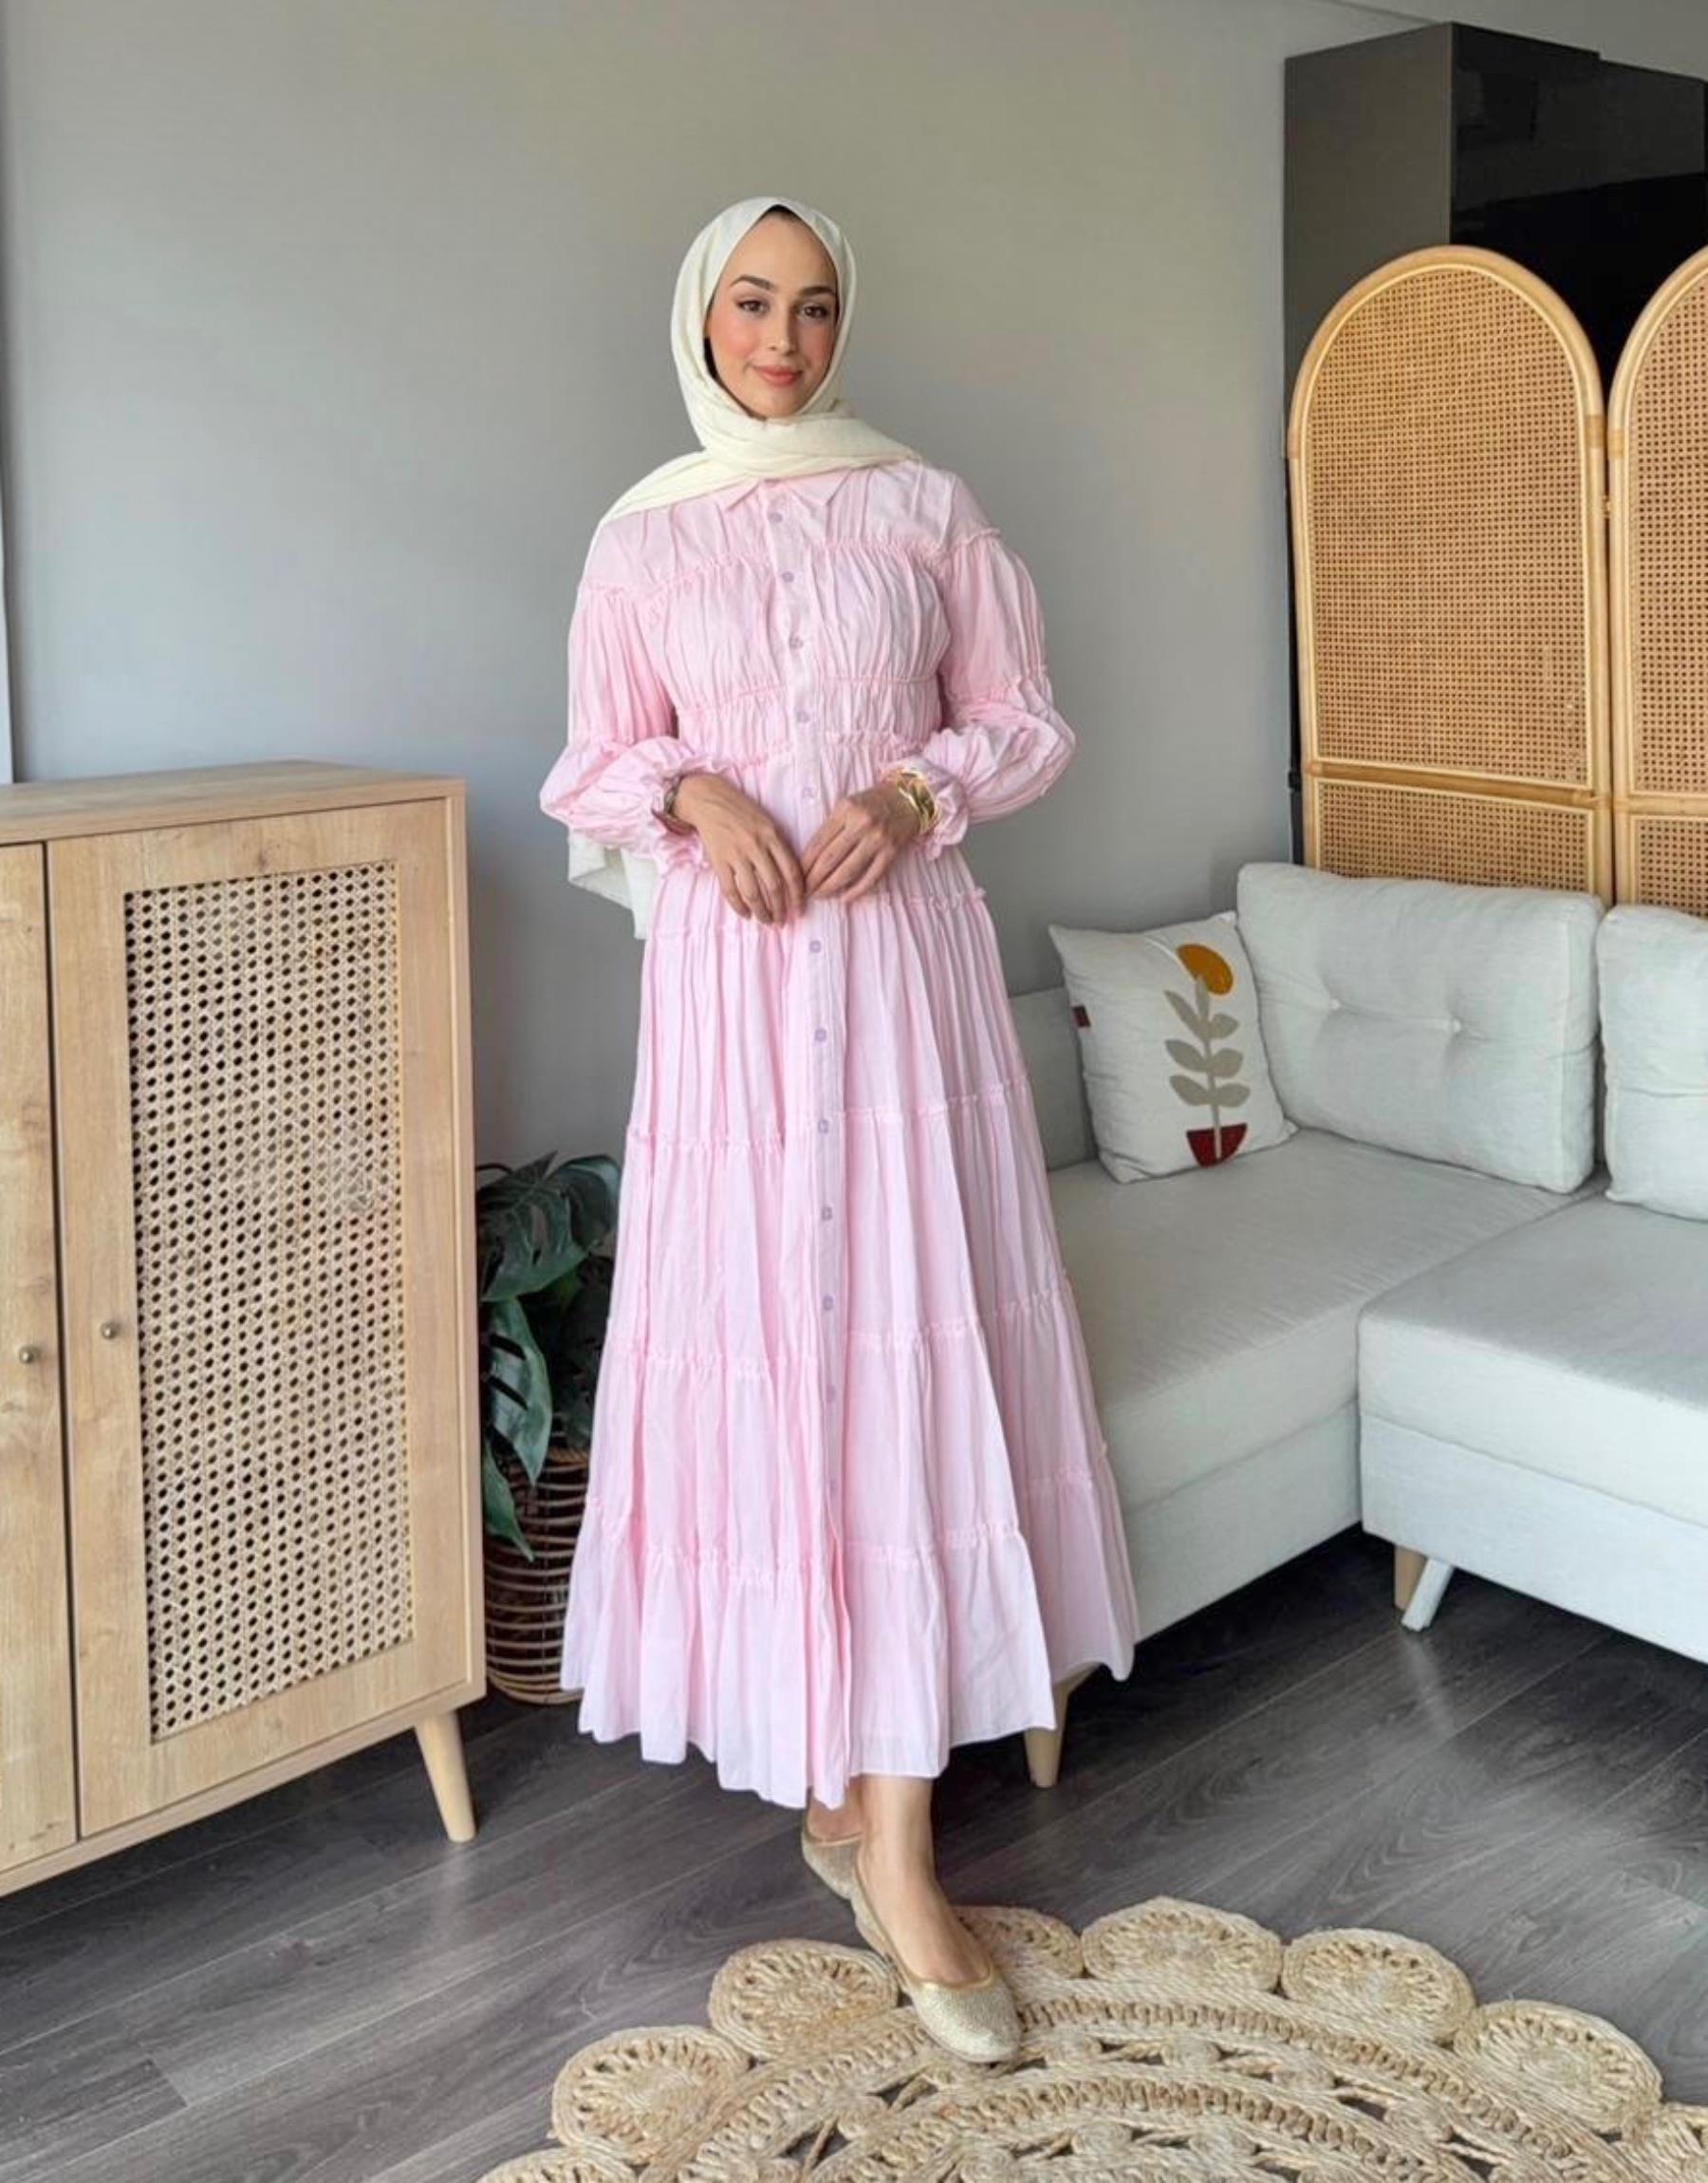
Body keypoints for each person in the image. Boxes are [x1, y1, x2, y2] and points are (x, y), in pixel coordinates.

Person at [539, 193, 1140, 2062]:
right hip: (734, 1004)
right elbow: (588, 760)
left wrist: (914, 790)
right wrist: (691, 789)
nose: (784, 341)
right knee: (779, 1363)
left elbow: (1026, 719)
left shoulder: (924, 504)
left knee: (903, 1360)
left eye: (812, 307)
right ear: (700, 317)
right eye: (752, 303)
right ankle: (827, 1780)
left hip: (903, 985)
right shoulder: (642, 533)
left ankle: (897, 1849)